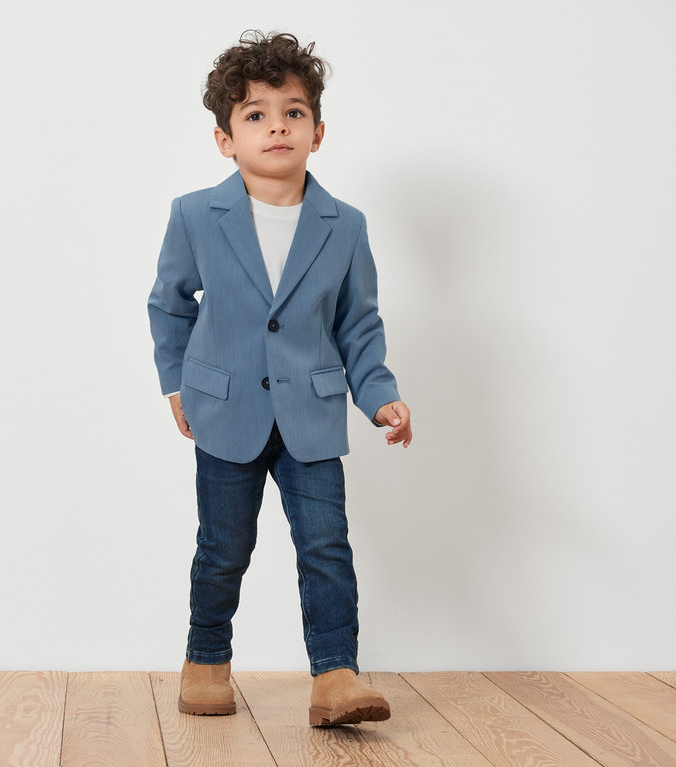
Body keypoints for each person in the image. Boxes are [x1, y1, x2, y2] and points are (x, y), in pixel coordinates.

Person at [147, 30, 411, 727]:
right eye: (255, 114)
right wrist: (176, 383)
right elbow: (169, 303)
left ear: (317, 132)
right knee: (223, 546)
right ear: (224, 139)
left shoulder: (344, 225)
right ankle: (206, 660)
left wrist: (380, 397)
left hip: (313, 412)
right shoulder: (196, 215)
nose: (276, 127)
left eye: (292, 113)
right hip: (223, 408)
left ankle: (336, 676)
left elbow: (359, 323)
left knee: (325, 545)